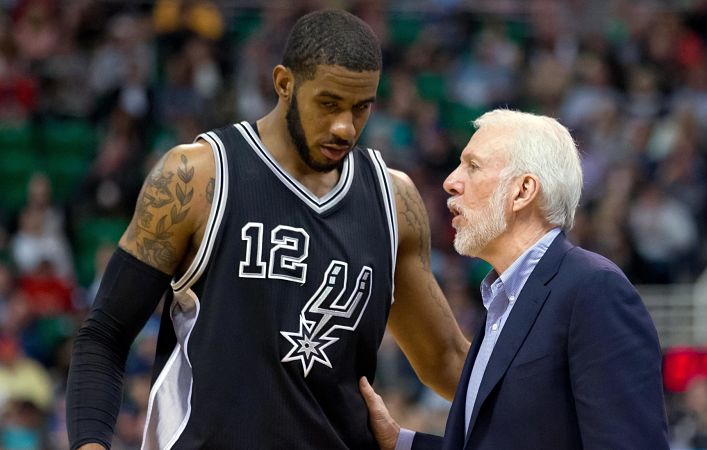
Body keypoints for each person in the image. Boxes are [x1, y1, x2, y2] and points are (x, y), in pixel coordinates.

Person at [66, 10, 469, 450]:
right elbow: (105, 335)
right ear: (284, 83)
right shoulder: (199, 176)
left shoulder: (394, 199)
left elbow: (446, 359)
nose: (345, 127)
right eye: (329, 103)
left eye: (361, 108)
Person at [359, 109, 669, 450]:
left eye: (472, 166)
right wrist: (400, 442)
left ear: (522, 191)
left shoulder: (594, 289)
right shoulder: (502, 299)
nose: (451, 181)